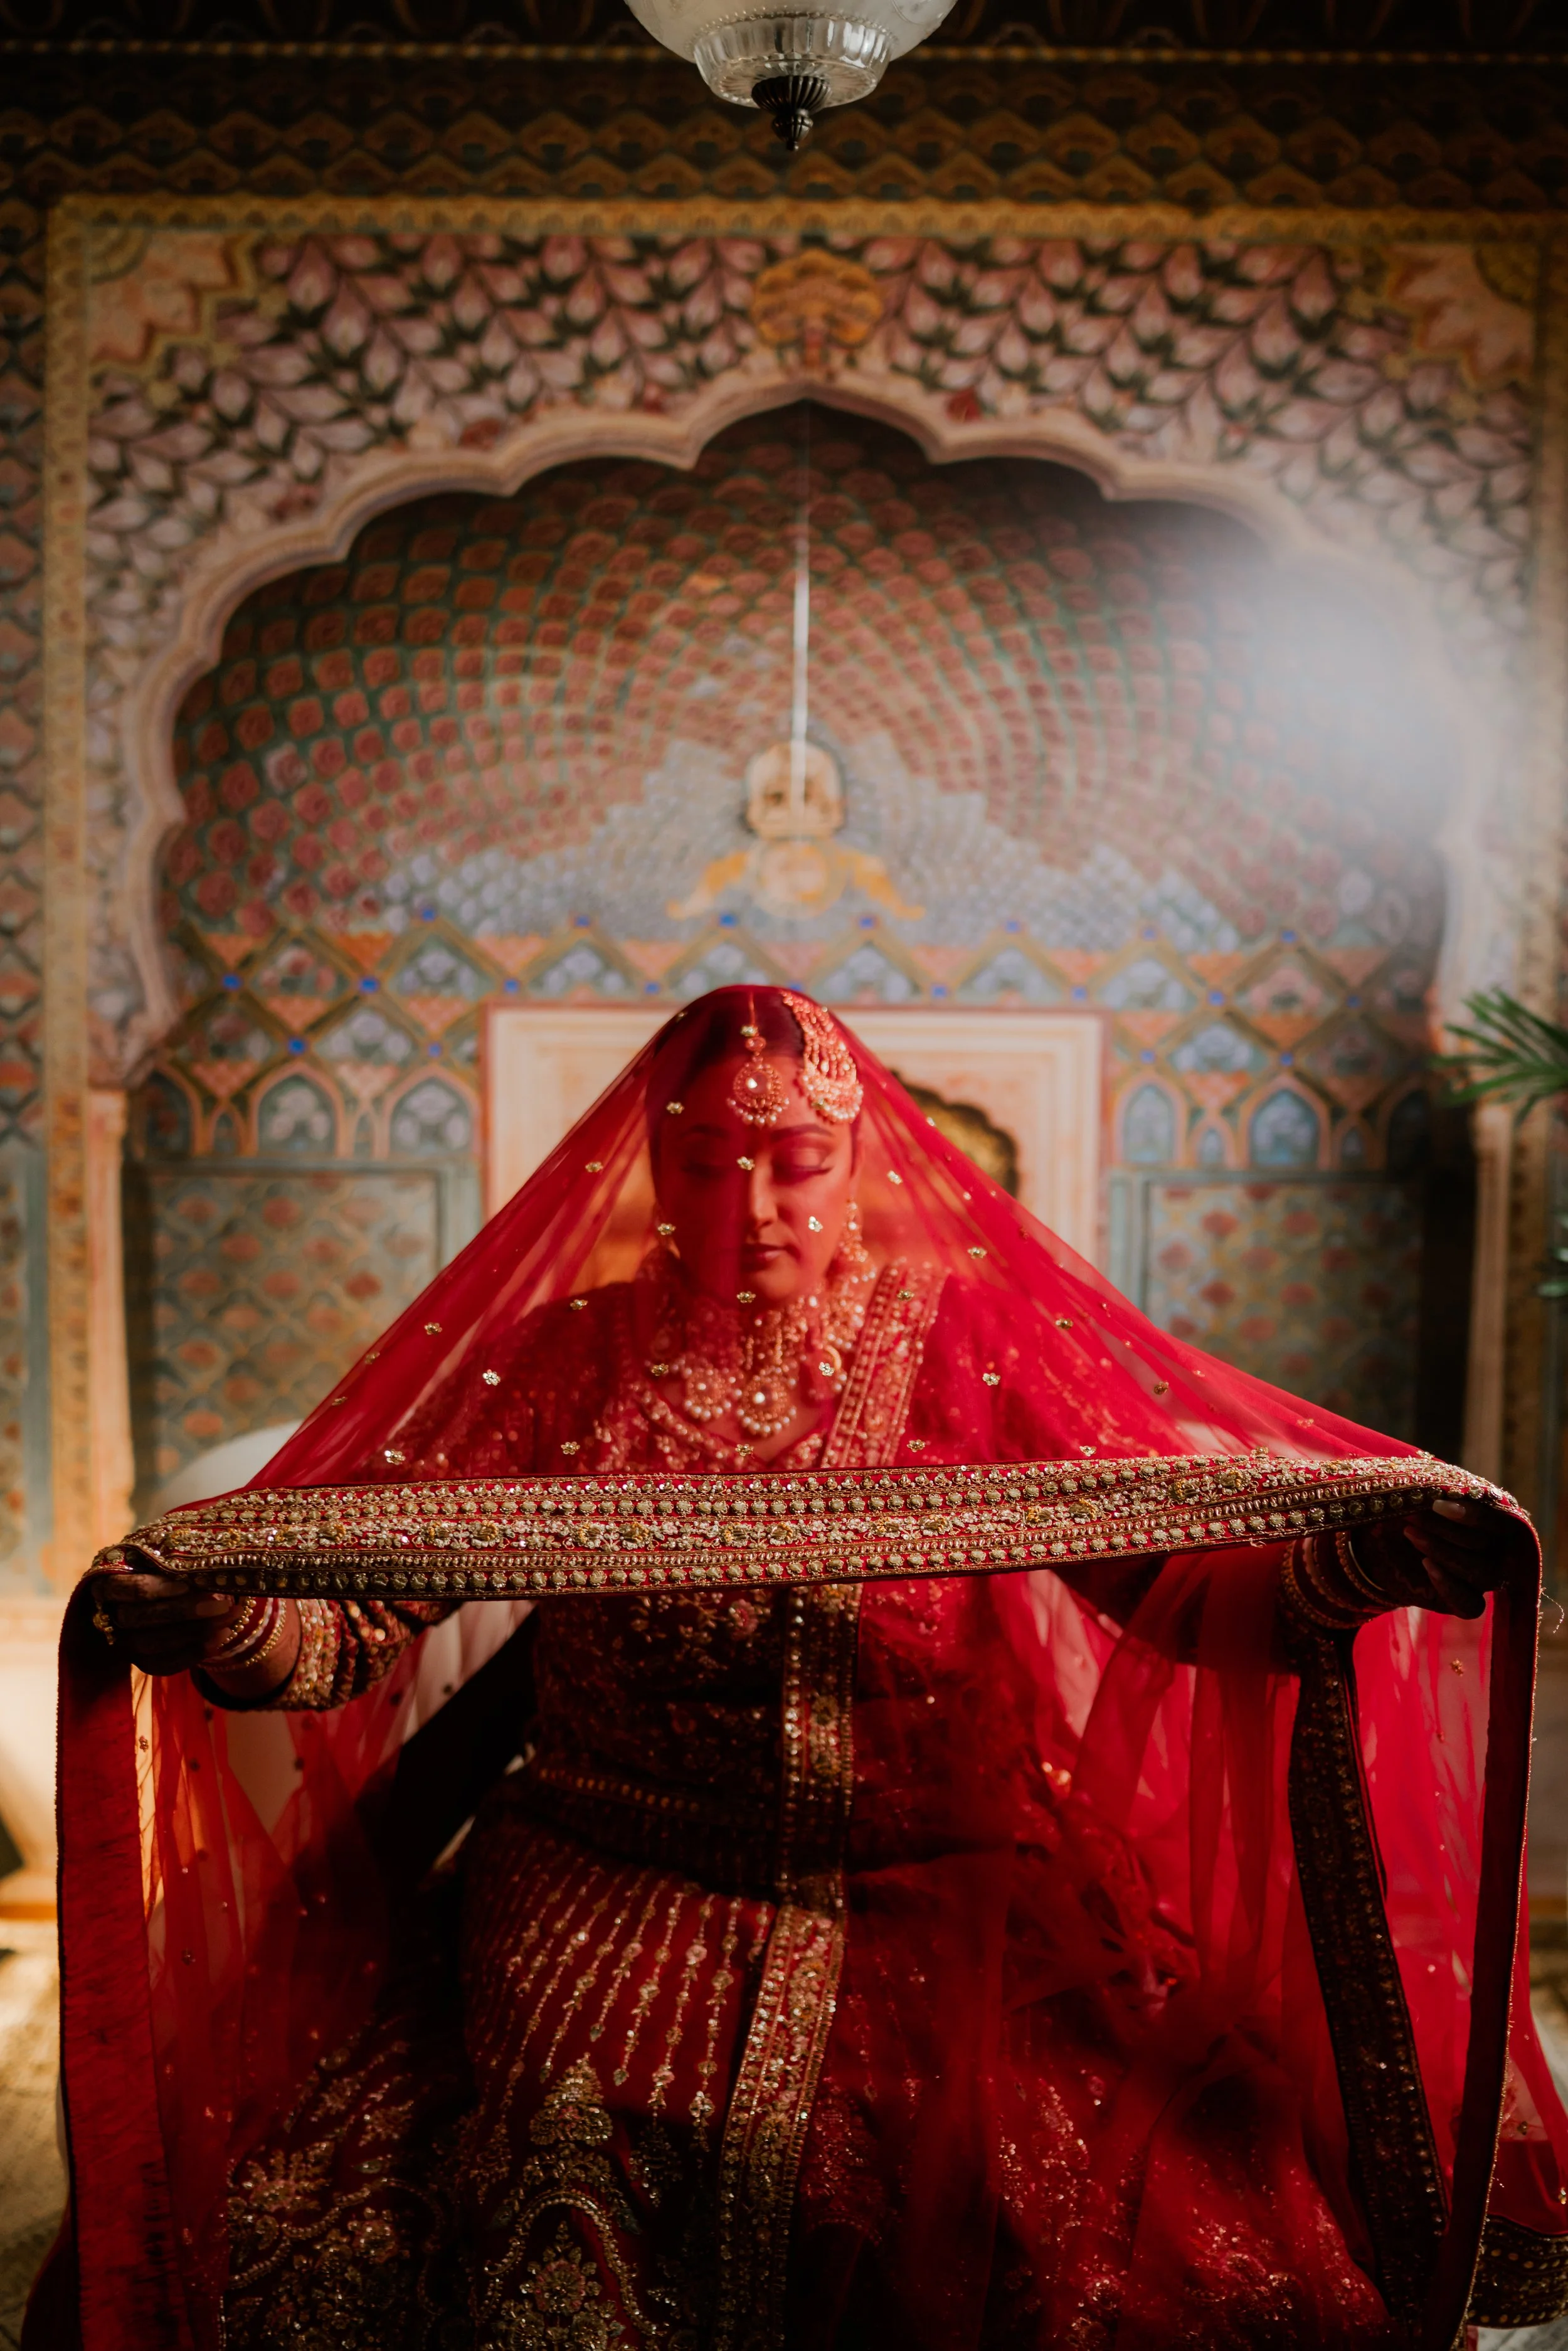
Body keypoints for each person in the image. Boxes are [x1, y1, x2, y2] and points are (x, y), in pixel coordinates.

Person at [33, 986, 1568, 2351]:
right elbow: (357, 1611)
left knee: (1115, 2209)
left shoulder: (963, 1347)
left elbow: (1169, 1586)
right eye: (704, 1161)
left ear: (861, 1166)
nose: (750, 1201)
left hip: (943, 1865)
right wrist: (223, 1629)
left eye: (794, 1162)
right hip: (613, 1856)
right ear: (648, 1166)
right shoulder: (565, 1361)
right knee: (566, 2160)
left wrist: (1360, 1569)